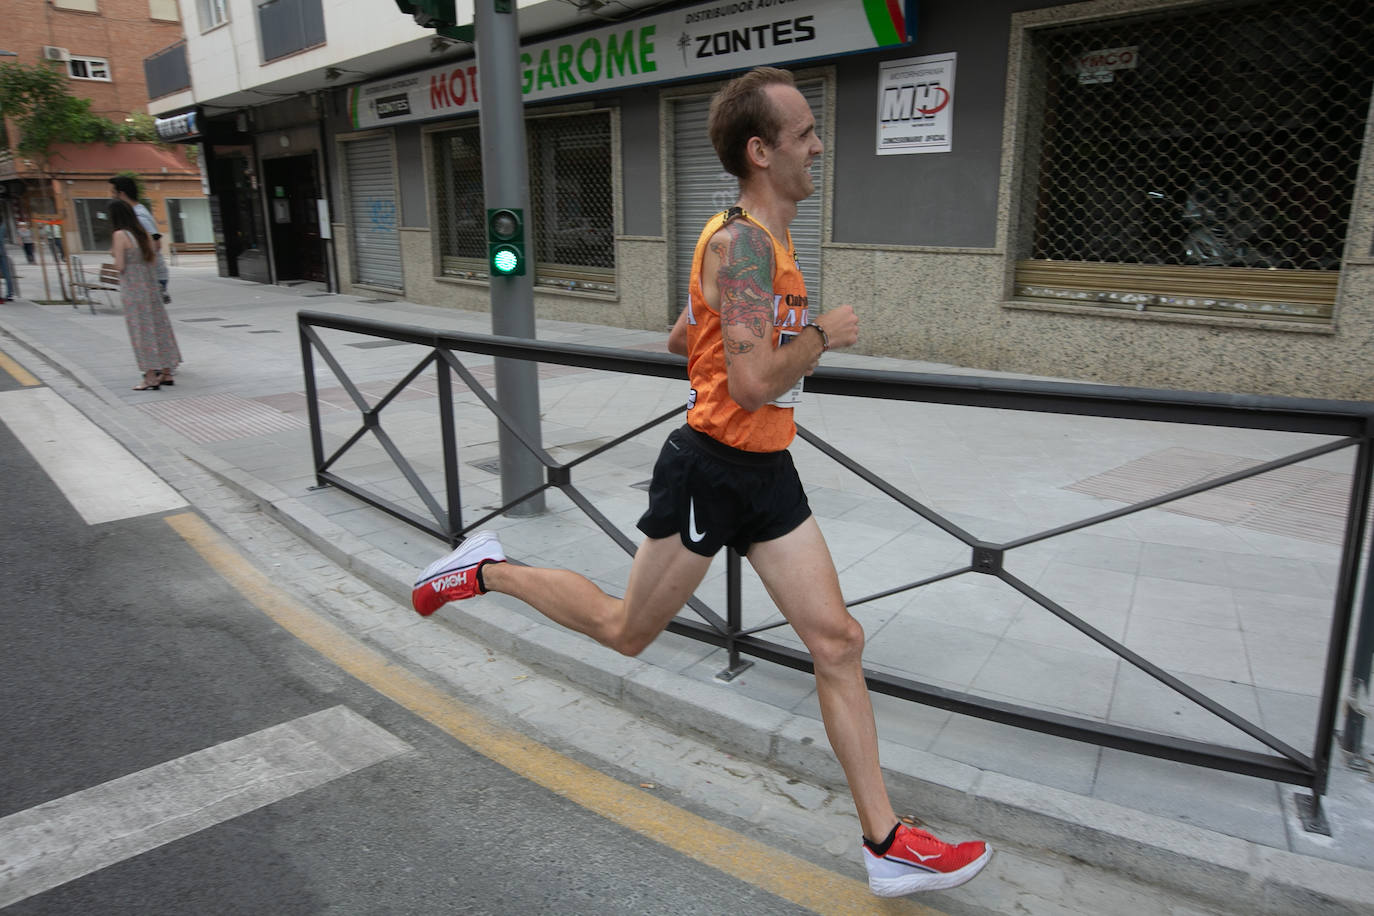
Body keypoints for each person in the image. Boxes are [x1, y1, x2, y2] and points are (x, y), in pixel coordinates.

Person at [410, 67, 990, 898]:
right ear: (761, 151)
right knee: (625, 630)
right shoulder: (744, 242)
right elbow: (752, 384)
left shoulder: (748, 239)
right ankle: (484, 568)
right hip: (710, 471)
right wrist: (824, 330)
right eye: (804, 135)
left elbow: (684, 338)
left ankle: (885, 842)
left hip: (768, 471)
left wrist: (732, 331)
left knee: (838, 641)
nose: (818, 146)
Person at [109, 200, 181, 390]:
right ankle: (166, 371)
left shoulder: (120, 235)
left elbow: (120, 266)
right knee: (158, 328)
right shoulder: (144, 235)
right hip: (150, 288)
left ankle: (150, 376)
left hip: (133, 290)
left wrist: (113, 253)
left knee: (141, 332)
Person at [109, 176, 170, 304]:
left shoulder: (139, 216)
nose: (112, 196)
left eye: (114, 193)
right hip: (146, 276)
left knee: (149, 319)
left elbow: (156, 244)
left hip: (150, 277)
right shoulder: (137, 212)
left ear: (122, 194)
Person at [0, 221, 17, 302]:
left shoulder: (2, 226)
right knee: (7, 273)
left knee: (7, 273)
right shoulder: (3, 225)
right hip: (2, 252)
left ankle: (9, 294)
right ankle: (10, 294)